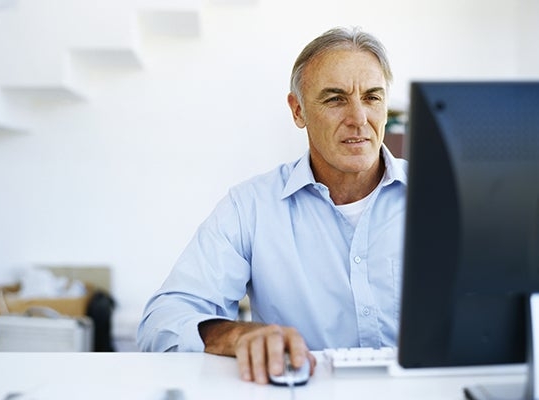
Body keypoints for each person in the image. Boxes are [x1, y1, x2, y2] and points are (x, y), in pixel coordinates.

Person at [137, 26, 408, 385]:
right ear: (298, 111)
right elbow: (163, 322)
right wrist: (235, 335)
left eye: (372, 97)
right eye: (335, 99)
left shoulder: (444, 199)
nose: (359, 118)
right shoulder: (250, 207)